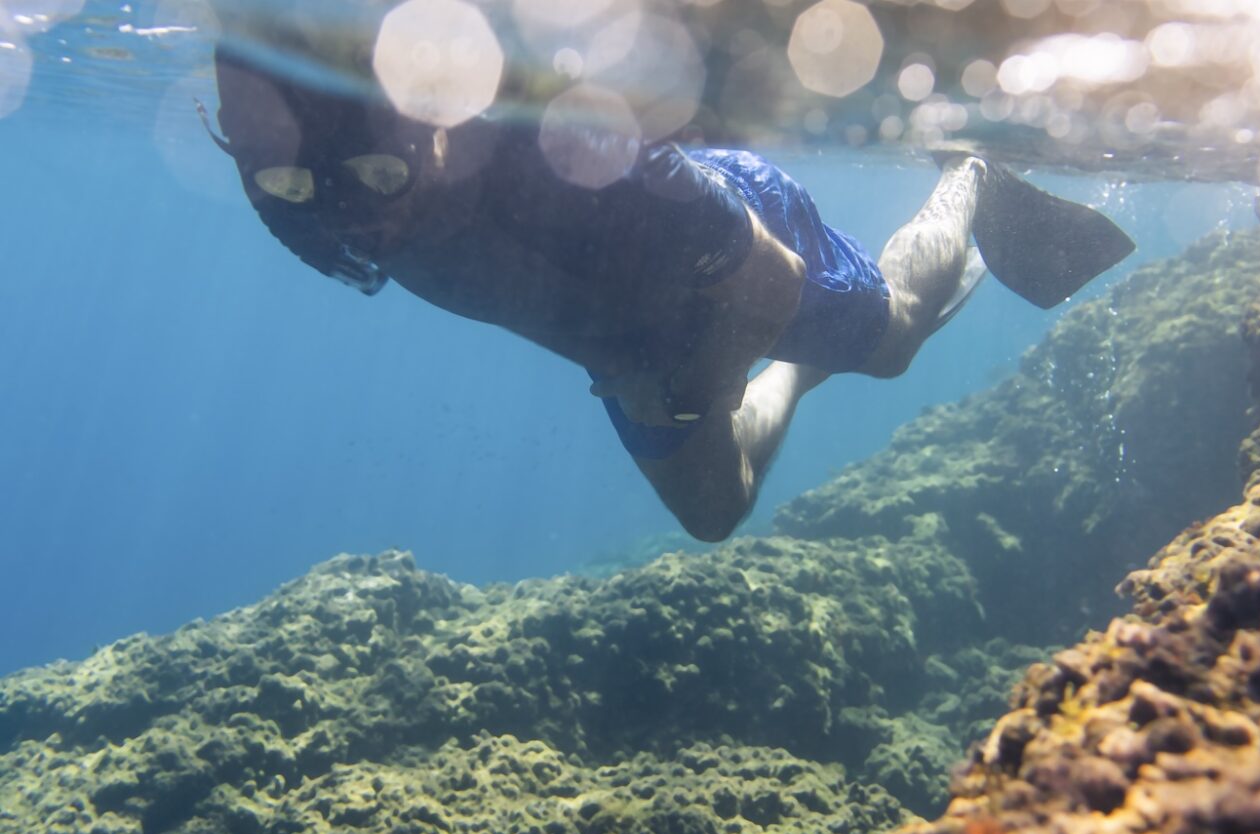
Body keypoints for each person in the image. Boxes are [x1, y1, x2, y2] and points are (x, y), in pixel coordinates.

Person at [208, 42, 1134, 541]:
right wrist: (643, 369)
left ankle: (969, 175)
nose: (351, 219)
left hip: (738, 252)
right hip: (629, 342)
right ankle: (791, 368)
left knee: (892, 343)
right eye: (282, 184)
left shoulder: (589, 162)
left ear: (432, 118)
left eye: (379, 178)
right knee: (715, 513)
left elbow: (768, 277)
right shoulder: (315, 193)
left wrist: (696, 389)